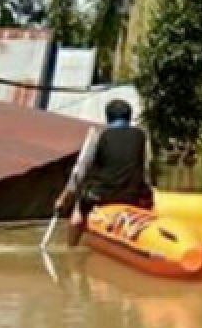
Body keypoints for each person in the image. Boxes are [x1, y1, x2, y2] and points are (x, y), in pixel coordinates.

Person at [60, 99, 153, 246]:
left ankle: (71, 249)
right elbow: (146, 169)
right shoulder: (142, 136)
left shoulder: (97, 135)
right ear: (129, 117)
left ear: (107, 118)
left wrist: (64, 198)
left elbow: (80, 170)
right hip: (133, 195)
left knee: (77, 216)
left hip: (102, 196)